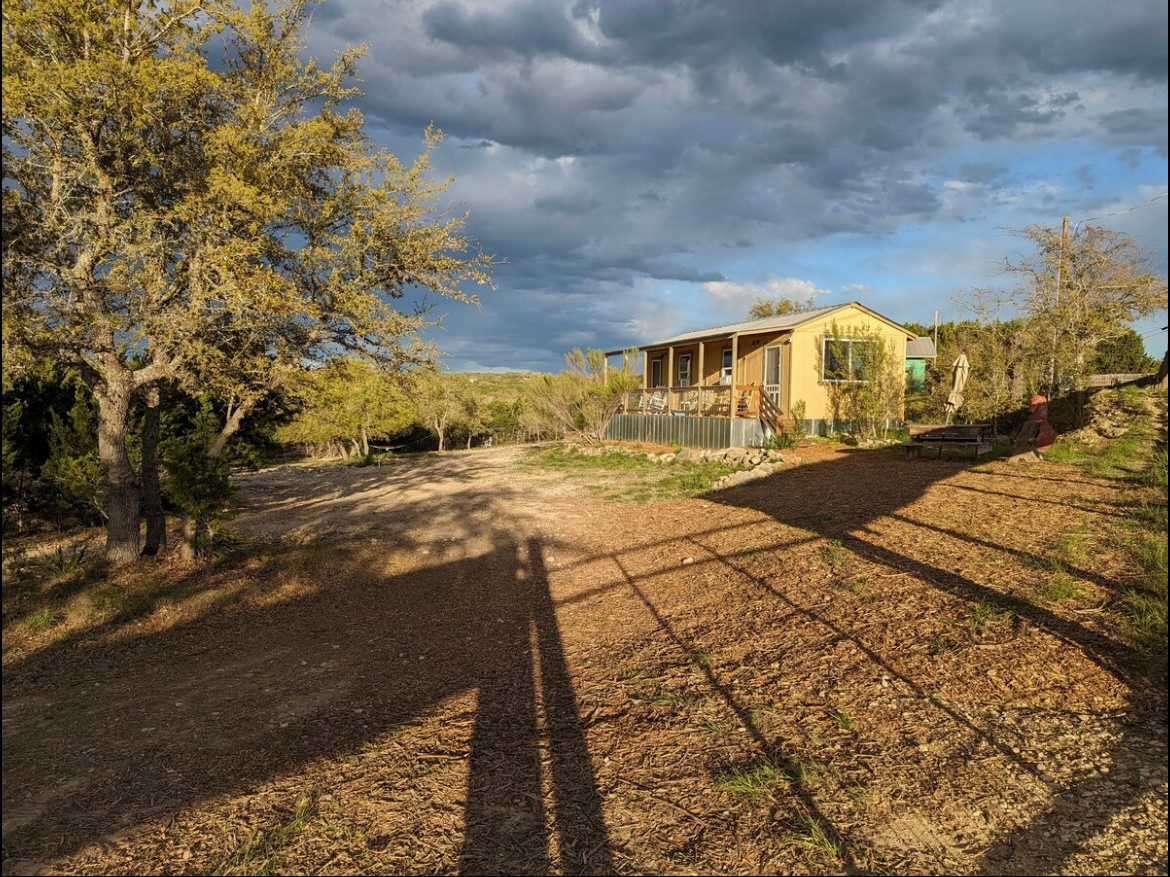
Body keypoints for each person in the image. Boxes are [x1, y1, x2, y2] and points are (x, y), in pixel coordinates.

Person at [1007, 395, 1056, 463]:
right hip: (1043, 425)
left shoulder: (1036, 400)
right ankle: (1036, 456)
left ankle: (1015, 459)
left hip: (1033, 424)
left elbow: (1031, 410)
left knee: (1023, 440)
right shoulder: (1044, 401)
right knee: (1028, 442)